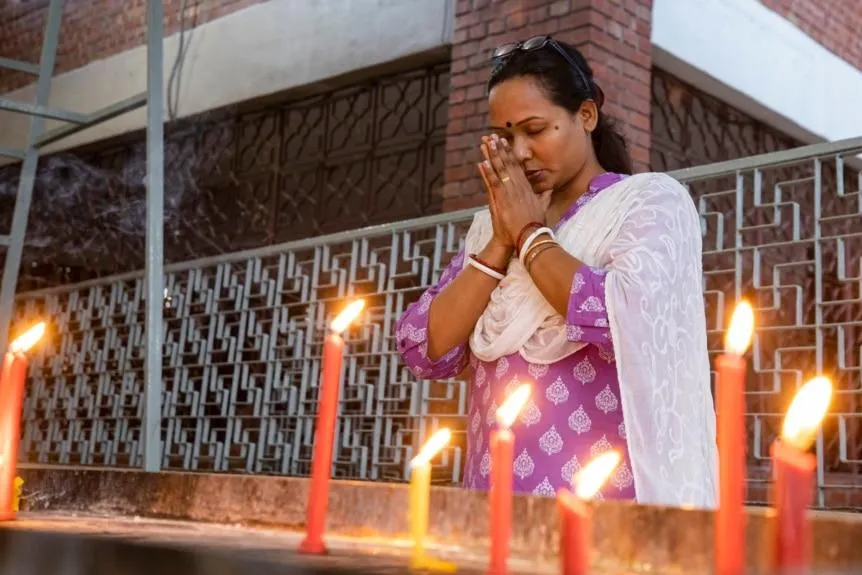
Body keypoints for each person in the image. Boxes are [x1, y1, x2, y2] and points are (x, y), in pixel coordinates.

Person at [395, 36, 717, 508]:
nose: (521, 152)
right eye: (506, 138)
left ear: (586, 115)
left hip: (603, 502)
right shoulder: (491, 226)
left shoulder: (646, 203)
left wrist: (529, 235)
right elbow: (426, 348)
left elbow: (620, 318)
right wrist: (501, 241)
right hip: (491, 499)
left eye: (535, 130)